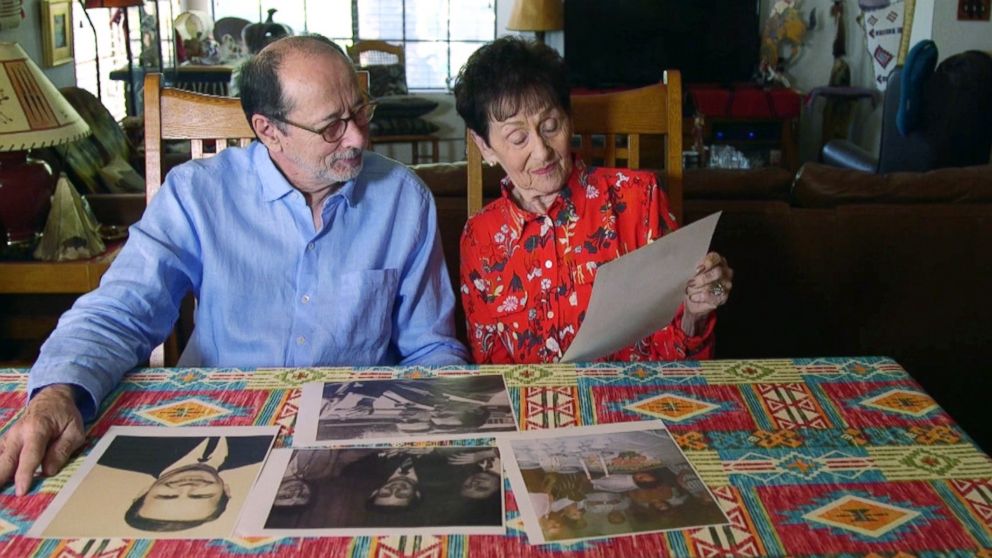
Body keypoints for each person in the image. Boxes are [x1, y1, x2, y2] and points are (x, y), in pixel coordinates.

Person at [0, 34, 467, 496]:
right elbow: (121, 309)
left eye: (361, 111)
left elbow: (430, 347)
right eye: (331, 127)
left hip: (354, 439)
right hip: (218, 434)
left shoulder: (403, 198)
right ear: (269, 130)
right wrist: (58, 393)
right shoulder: (196, 194)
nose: (358, 136)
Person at [453, 37, 733, 364]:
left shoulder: (638, 198)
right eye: (518, 138)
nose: (542, 151)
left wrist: (696, 313)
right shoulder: (480, 238)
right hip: (536, 411)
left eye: (551, 125)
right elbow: (493, 373)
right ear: (484, 146)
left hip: (637, 403)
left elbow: (680, 358)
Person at [98, 435, 272, 532]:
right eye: (201, 495)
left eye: (167, 495)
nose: (188, 487)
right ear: (226, 491)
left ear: (144, 491)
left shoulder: (117, 450)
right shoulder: (262, 451)